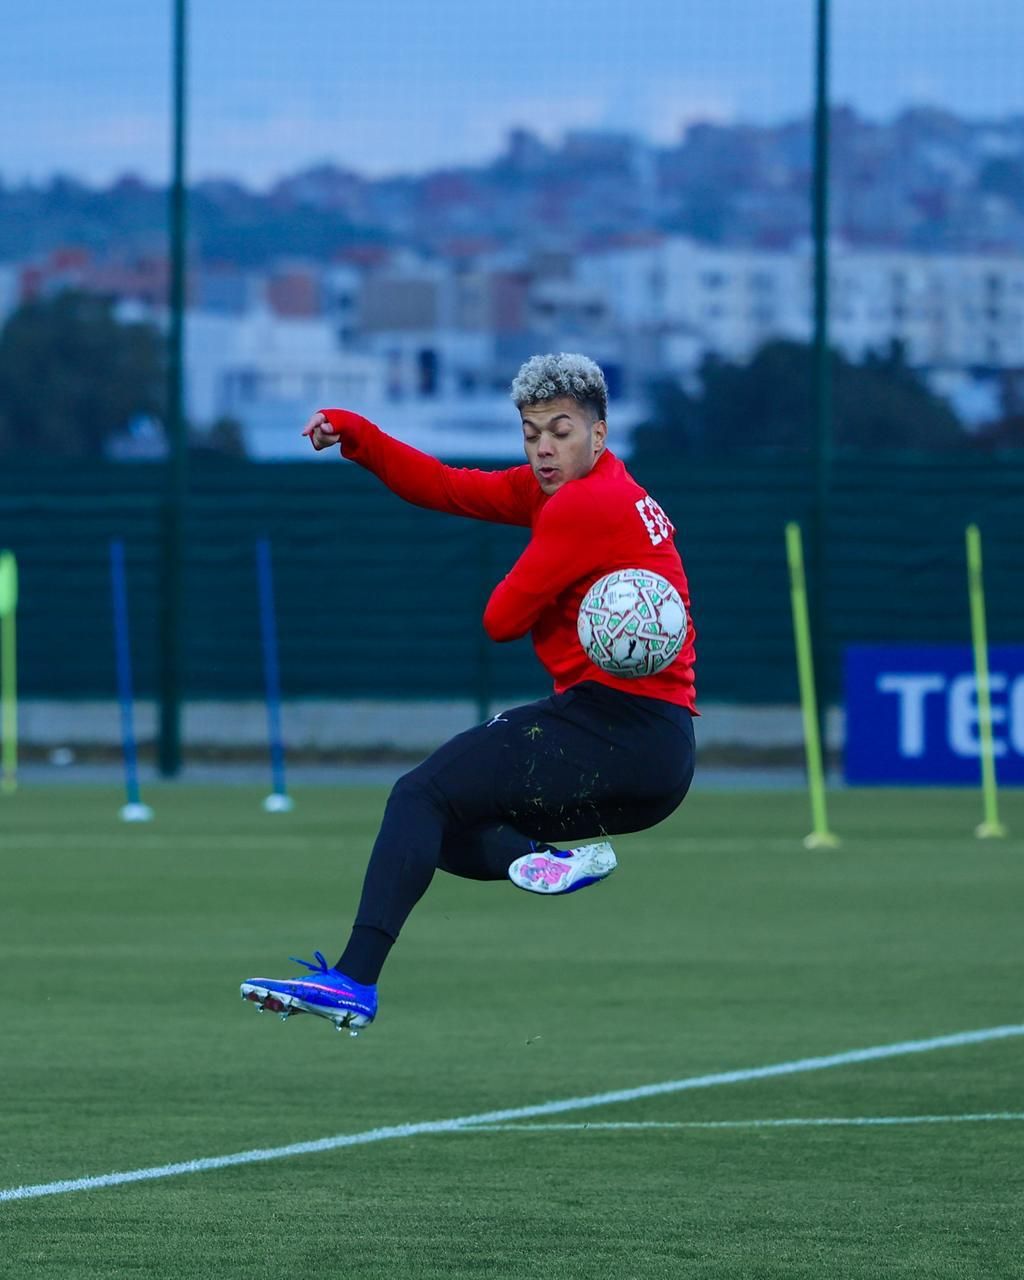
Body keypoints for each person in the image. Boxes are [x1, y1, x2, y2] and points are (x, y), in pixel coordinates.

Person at [241, 353, 696, 1034]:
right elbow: (449, 486)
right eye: (531, 431)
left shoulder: (584, 505)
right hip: (657, 753)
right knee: (437, 827)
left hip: (615, 727)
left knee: (418, 794)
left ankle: (354, 981)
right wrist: (357, 434)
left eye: (561, 431)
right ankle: (536, 861)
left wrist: (554, 605)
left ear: (599, 436)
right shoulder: (600, 490)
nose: (543, 447)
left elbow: (499, 620)